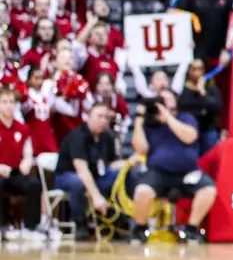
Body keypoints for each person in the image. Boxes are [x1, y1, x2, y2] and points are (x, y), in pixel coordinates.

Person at [129, 96, 217, 244]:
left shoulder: (185, 117)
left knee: (208, 190)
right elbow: (140, 148)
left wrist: (168, 118)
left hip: (187, 173)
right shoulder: (150, 123)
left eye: (167, 98)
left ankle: (191, 229)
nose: (162, 103)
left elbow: (190, 137)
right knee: (142, 191)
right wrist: (139, 120)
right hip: (158, 173)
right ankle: (140, 229)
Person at [54, 101, 119, 239]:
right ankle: (80, 223)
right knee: (77, 182)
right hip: (66, 176)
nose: (103, 121)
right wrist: (96, 197)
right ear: (88, 116)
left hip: (95, 175)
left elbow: (112, 164)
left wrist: (128, 164)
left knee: (119, 175)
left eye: (106, 117)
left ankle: (118, 220)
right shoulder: (78, 136)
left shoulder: (107, 137)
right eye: (99, 116)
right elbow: (81, 169)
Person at [0, 85, 43, 238]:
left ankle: (31, 228)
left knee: (34, 184)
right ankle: (2, 226)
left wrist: (26, 161)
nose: (8, 105)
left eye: (11, 102)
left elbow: (28, 151)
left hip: (14, 172)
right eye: (4, 102)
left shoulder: (22, 128)